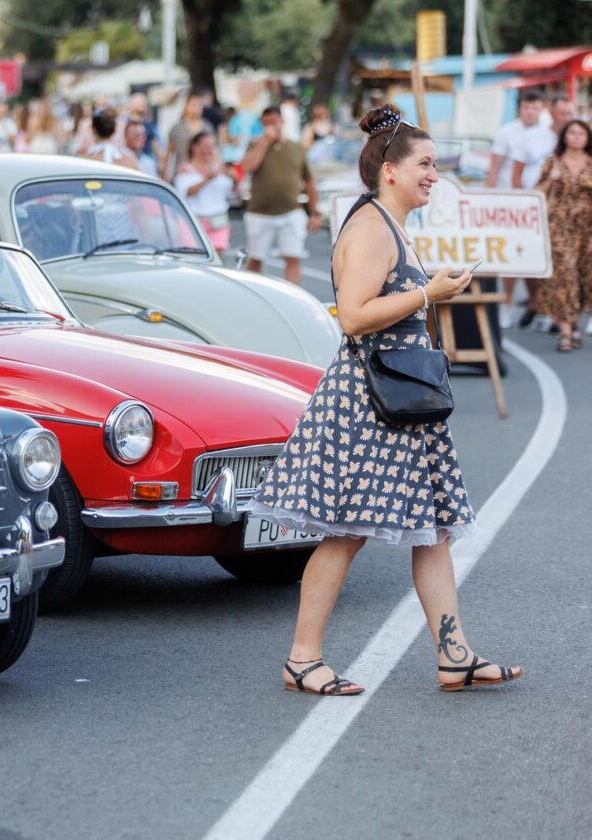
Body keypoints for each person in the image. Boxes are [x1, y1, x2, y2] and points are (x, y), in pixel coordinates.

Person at [251, 104, 522, 697]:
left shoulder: (393, 224)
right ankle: (302, 658)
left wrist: (430, 295)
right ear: (390, 171)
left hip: (401, 402)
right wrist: (428, 292)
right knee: (347, 530)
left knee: (433, 531)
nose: (435, 175)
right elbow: (352, 316)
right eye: (426, 164)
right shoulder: (373, 226)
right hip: (370, 403)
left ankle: (455, 655)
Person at [486, 90, 546, 327]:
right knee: (511, 255)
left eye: (535, 107)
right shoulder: (507, 132)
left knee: (535, 256)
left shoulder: (548, 135)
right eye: (527, 107)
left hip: (538, 202)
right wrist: (490, 197)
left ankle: (537, 302)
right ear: (520, 108)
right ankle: (507, 304)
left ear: (541, 109)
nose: (530, 111)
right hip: (509, 201)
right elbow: (494, 167)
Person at [240, 105, 319, 284]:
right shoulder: (255, 144)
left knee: (293, 258)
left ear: (282, 121)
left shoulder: (295, 147)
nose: (270, 127)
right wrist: (264, 143)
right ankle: (253, 296)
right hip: (260, 213)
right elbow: (246, 168)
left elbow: (309, 181)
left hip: (290, 211)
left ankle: (293, 297)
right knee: (255, 259)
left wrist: (313, 212)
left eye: (274, 122)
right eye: (266, 123)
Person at [534, 119, 592, 352]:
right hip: (559, 225)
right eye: (572, 132)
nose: (577, 137)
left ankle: (573, 322)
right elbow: (536, 192)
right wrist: (552, 178)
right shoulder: (553, 161)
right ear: (565, 136)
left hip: (587, 228)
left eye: (581, 133)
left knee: (583, 277)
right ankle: (566, 332)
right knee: (564, 275)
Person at [173, 130, 236, 250]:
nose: (210, 150)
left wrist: (235, 179)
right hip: (194, 222)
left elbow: (231, 193)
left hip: (219, 221)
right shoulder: (185, 168)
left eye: (212, 145)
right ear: (195, 147)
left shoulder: (220, 167)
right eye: (206, 146)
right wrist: (207, 179)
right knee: (194, 258)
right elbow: (185, 192)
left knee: (216, 261)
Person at [161, 91, 207, 180]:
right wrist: (165, 174)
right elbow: (169, 153)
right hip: (182, 172)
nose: (197, 108)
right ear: (186, 106)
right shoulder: (177, 128)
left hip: (203, 173)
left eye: (200, 105)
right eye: (194, 104)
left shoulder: (207, 127)